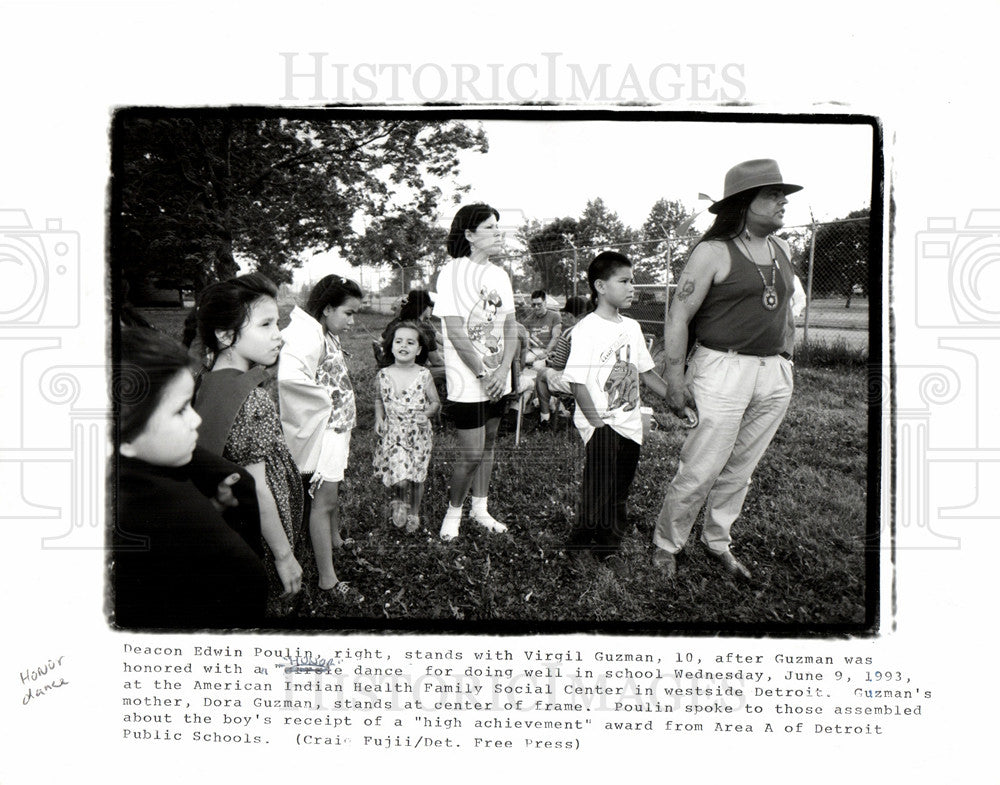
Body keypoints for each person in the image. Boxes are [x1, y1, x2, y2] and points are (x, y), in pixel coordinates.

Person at [652, 159, 801, 581]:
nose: (783, 201)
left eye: (782, 194)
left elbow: (786, 310)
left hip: (772, 373)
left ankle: (717, 540)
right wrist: (675, 378)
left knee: (741, 469)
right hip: (722, 369)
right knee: (701, 466)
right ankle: (667, 543)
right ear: (744, 203)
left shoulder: (783, 249)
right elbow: (678, 316)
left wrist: (785, 357)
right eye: (772, 194)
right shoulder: (713, 252)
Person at [114, 327, 268, 628]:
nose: (195, 419)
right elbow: (246, 580)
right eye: (180, 410)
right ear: (124, 434)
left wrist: (214, 509)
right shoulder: (155, 508)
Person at [192, 273, 304, 614]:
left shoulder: (204, 383)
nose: (278, 335)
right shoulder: (252, 401)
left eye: (278, 323)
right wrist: (285, 556)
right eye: (266, 324)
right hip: (261, 522)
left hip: (226, 520)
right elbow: (256, 485)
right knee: (272, 595)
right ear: (226, 335)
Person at [561, 252, 669, 576]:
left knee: (619, 492)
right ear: (600, 286)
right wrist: (598, 425)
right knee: (596, 492)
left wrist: (678, 401)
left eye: (632, 280)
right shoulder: (586, 329)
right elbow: (577, 383)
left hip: (630, 425)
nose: (632, 287)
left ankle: (608, 549)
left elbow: (647, 374)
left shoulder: (634, 327)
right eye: (624, 280)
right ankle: (578, 547)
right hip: (602, 425)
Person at [277, 274, 365, 603]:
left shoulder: (324, 332)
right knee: (323, 501)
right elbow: (290, 379)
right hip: (326, 430)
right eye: (349, 313)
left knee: (333, 490)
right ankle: (328, 580)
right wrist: (326, 405)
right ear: (327, 309)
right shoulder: (311, 337)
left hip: (338, 428)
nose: (353, 321)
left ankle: (335, 538)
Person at [432, 203, 517, 541]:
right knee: (470, 453)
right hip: (471, 380)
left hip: (499, 377)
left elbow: (511, 325)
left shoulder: (500, 275)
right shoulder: (451, 273)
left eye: (499, 226)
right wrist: (484, 374)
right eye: (490, 227)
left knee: (491, 442)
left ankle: (480, 509)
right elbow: (454, 331)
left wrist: (504, 370)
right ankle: (453, 512)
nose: (499, 233)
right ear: (469, 235)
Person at [373, 320, 441, 532]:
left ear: (419, 349)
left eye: (410, 342)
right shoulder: (383, 375)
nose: (403, 346)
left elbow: (435, 402)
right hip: (394, 432)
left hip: (418, 434)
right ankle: (400, 503)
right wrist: (379, 418)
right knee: (400, 477)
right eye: (398, 341)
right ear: (391, 346)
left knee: (417, 477)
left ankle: (414, 512)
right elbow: (378, 399)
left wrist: (427, 414)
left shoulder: (423, 375)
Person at [535, 295, 590, 429]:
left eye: (566, 314)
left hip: (582, 384)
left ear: (572, 315)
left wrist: (550, 361)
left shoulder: (570, 333)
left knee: (542, 374)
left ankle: (545, 420)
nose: (564, 317)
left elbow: (558, 366)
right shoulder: (603, 329)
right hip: (605, 382)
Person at [520, 289, 563, 366]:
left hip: (551, 352)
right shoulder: (528, 320)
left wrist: (546, 352)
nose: (536, 307)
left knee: (537, 365)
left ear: (545, 303)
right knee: (520, 361)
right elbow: (526, 339)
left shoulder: (555, 316)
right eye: (534, 305)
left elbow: (556, 337)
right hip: (534, 351)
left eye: (539, 304)